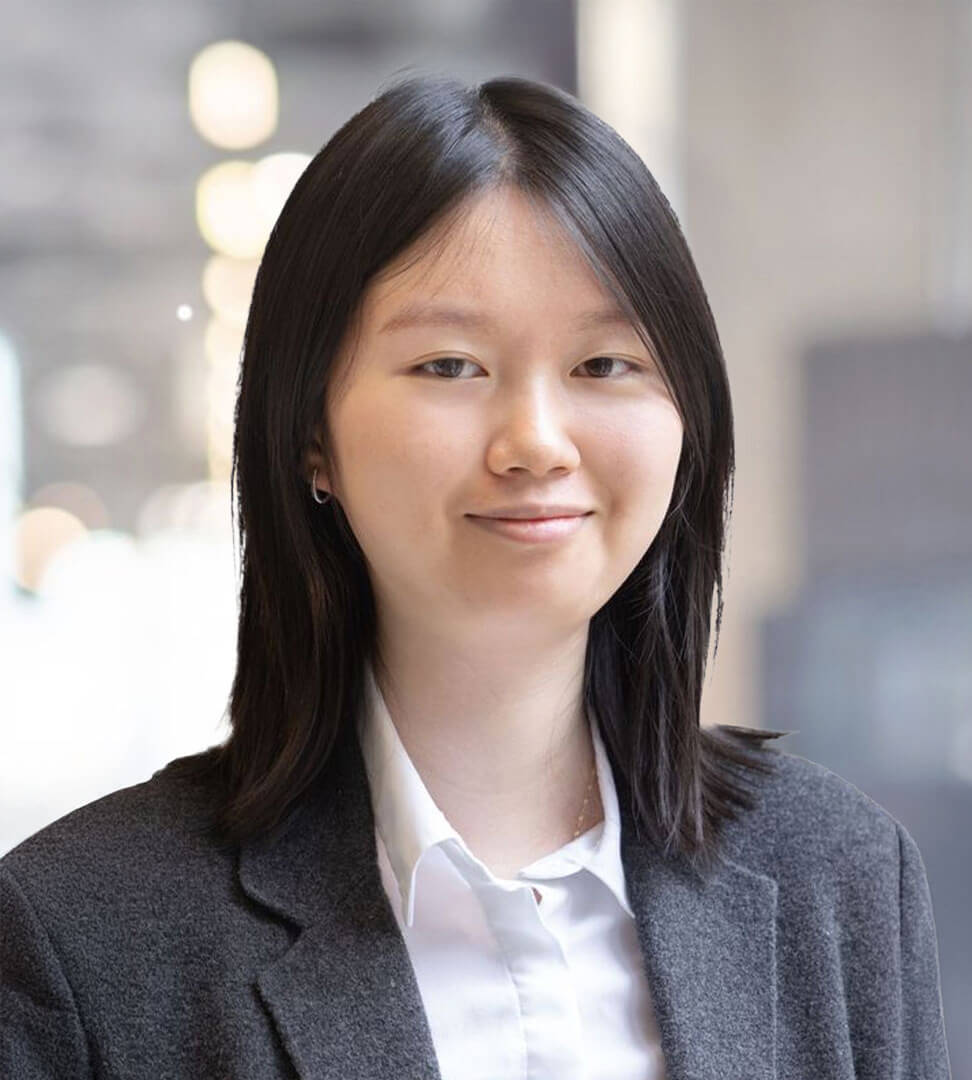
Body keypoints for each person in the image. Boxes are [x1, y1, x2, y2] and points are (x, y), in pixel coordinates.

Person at [0, 72, 951, 1080]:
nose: (536, 442)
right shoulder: (84, 942)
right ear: (308, 435)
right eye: (449, 366)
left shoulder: (839, 880)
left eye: (604, 366)